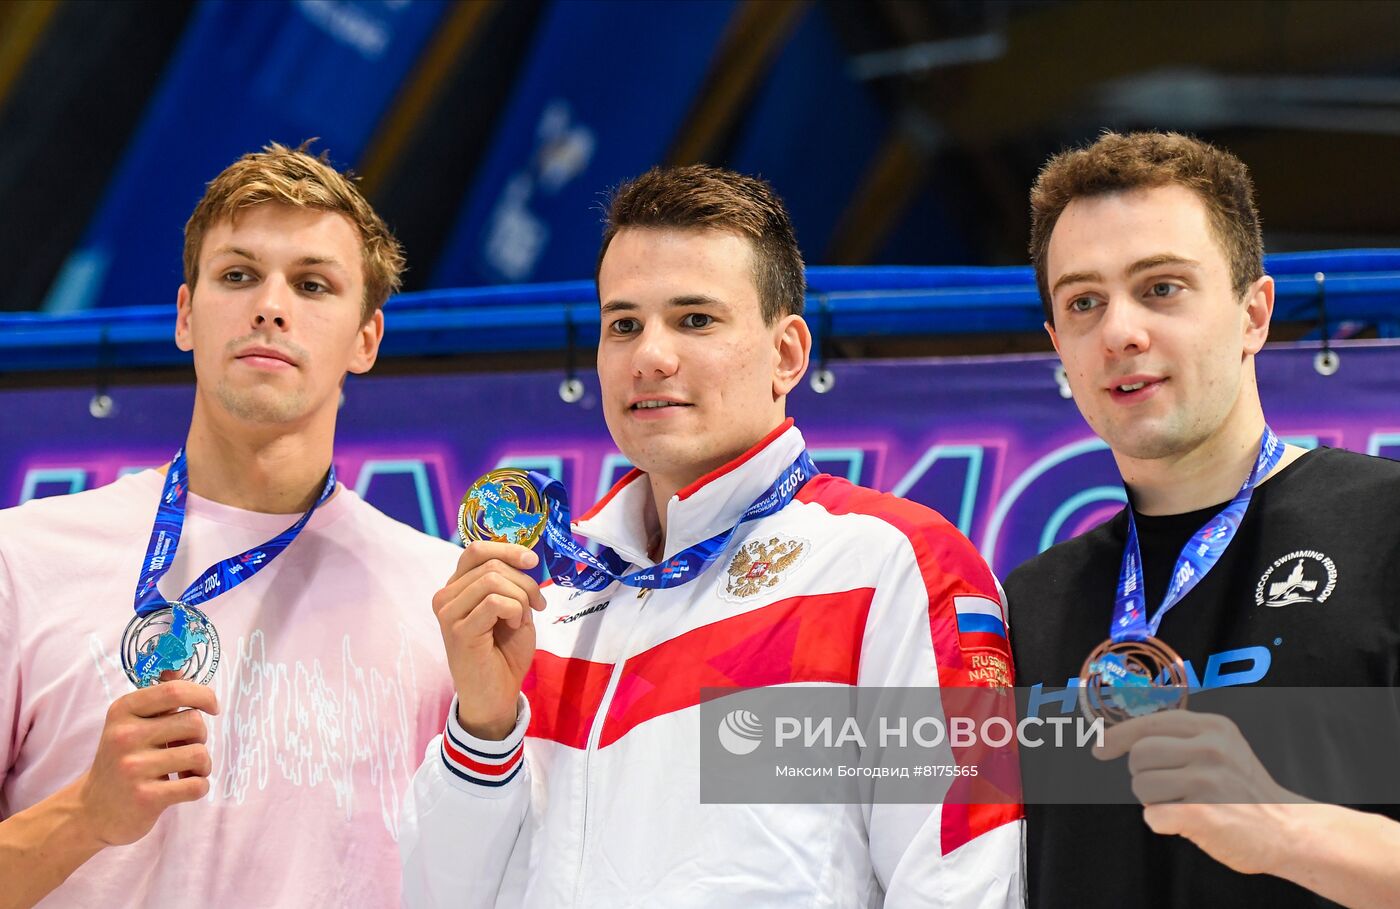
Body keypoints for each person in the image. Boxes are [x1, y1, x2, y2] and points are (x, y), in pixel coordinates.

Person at [400, 165, 1023, 907]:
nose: (650, 355)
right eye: (623, 323)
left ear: (787, 354)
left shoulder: (893, 564)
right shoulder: (548, 595)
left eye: (695, 319)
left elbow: (961, 885)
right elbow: (444, 894)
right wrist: (484, 727)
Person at [0, 143, 461, 908]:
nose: (270, 305)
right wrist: (85, 813)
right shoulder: (22, 559)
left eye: (312, 284)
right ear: (186, 314)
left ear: (367, 338)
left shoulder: (439, 599)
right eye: (238, 275)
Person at [1004, 131, 1400, 909]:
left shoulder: (1386, 527)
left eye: (1161, 288)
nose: (1120, 331)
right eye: (1083, 302)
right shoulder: (1030, 602)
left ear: (1254, 314)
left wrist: (1284, 828)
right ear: (1059, 346)